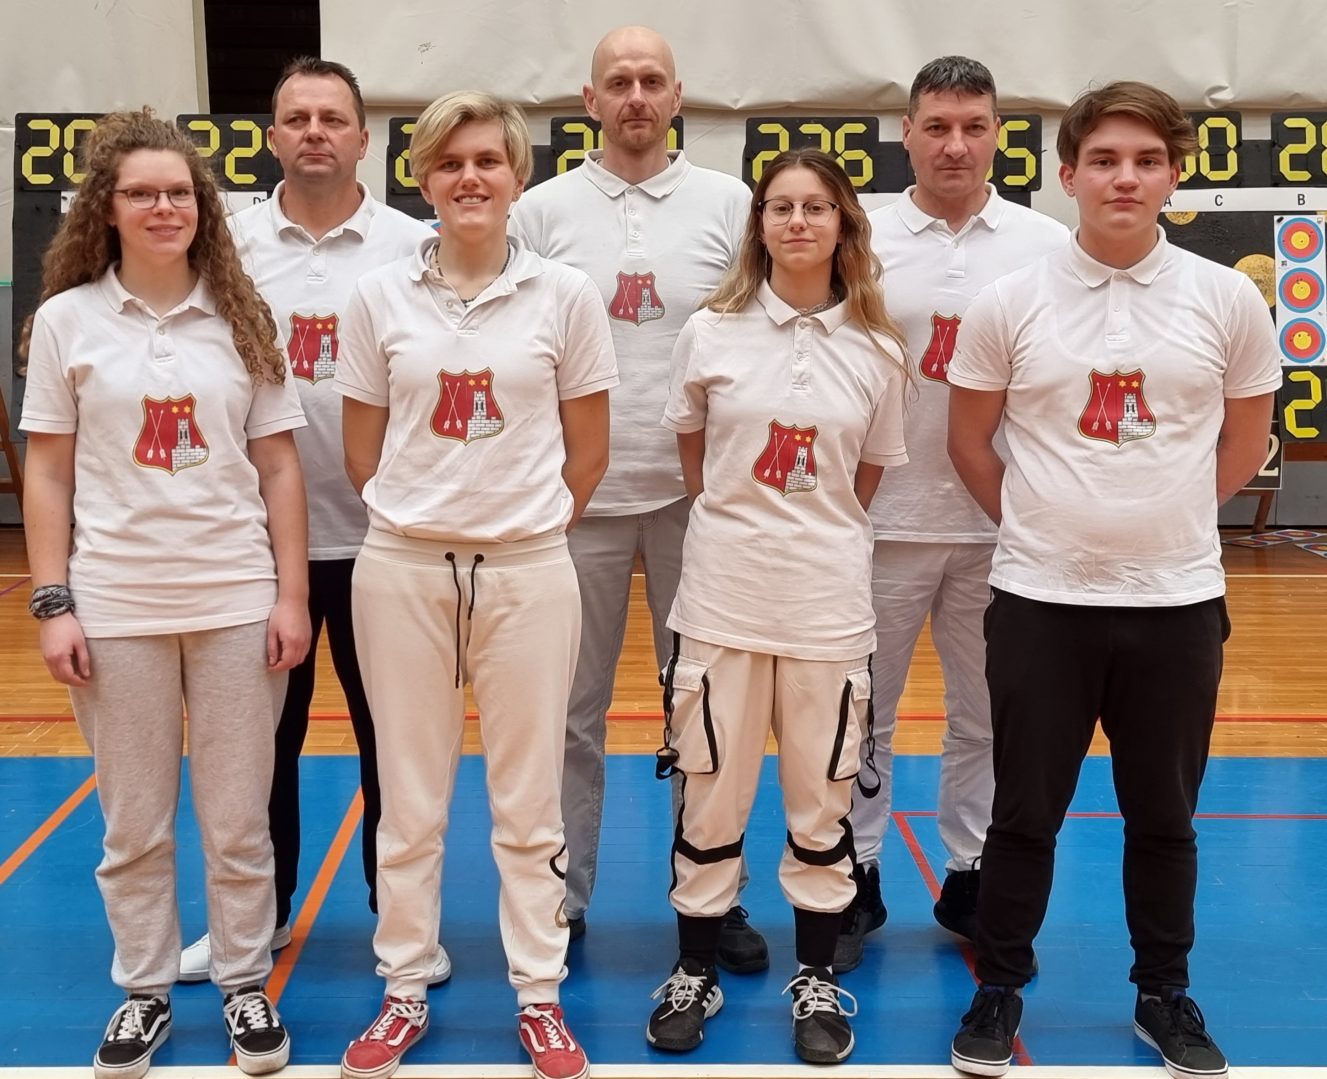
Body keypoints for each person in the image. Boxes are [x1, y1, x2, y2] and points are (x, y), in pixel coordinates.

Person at [945, 81, 1279, 1079]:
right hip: (1039, 601)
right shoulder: (1009, 300)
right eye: (1103, 160)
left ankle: (1161, 992)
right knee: (1022, 815)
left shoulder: (1226, 299)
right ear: (1067, 175)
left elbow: (1244, 442)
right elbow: (969, 443)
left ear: (1173, 175)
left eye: (1144, 160)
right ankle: (999, 984)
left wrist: (1161, 516)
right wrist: (1047, 524)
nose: (1123, 178)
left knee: (1164, 819)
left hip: (1175, 602)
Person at [19, 108, 309, 1079]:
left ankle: (243, 984)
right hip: (115, 607)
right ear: (105, 206)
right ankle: (143, 989)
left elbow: (278, 466)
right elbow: (48, 471)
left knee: (237, 820)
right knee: (133, 822)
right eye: (140, 192)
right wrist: (53, 600)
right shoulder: (66, 322)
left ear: (202, 208)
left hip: (234, 600)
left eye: (178, 192)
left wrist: (291, 596)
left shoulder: (242, 314)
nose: (162, 207)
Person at [333, 92, 617, 1079]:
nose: (469, 178)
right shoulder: (377, 295)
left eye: (487, 160)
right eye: (449, 162)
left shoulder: (565, 294)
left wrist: (519, 526)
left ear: (517, 175)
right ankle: (404, 986)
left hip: (529, 568)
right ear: (421, 177)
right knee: (409, 798)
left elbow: (588, 451)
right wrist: (429, 514)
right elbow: (362, 451)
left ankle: (538, 994)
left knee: (528, 800)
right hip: (403, 565)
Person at [177, 56, 445, 985]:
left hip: (388, 540)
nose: (315, 132)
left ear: (366, 139)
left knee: (395, 747)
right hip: (257, 547)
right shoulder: (226, 245)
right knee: (258, 750)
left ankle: (403, 924)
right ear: (272, 137)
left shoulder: (414, 245)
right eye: (297, 118)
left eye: (333, 118)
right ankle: (257, 917)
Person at [508, 26, 768, 972]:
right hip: (572, 500)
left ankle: (713, 892)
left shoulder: (729, 205)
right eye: (617, 82)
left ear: (677, 95)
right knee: (566, 712)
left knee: (703, 707)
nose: (635, 96)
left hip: (699, 502)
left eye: (651, 80)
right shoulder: (538, 211)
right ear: (589, 101)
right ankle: (561, 896)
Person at [645, 148, 909, 1064]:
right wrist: (742, 528)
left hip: (826, 610)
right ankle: (695, 968)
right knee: (708, 799)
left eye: (816, 207)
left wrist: (809, 534)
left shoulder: (878, 349)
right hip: (720, 601)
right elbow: (695, 459)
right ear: (758, 224)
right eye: (780, 207)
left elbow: (863, 480)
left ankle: (817, 977)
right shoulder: (709, 331)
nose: (798, 221)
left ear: (843, 225)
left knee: (820, 805)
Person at [835, 56, 1068, 972]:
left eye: (973, 126)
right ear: (906, 134)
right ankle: (854, 871)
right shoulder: (860, 236)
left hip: (1001, 520)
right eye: (936, 126)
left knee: (987, 716)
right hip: (880, 518)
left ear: (999, 135)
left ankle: (971, 871)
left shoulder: (1045, 243)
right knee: (863, 711)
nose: (955, 145)